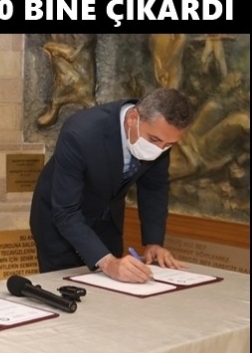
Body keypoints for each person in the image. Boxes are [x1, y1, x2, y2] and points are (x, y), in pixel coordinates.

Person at [29, 88, 196, 283]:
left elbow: (154, 188)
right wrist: (107, 262)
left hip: (108, 221)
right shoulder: (80, 133)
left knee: (113, 287)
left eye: (169, 145)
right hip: (61, 224)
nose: (159, 149)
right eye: (154, 140)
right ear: (133, 118)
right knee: (66, 289)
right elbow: (66, 211)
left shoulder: (160, 139)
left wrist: (154, 243)